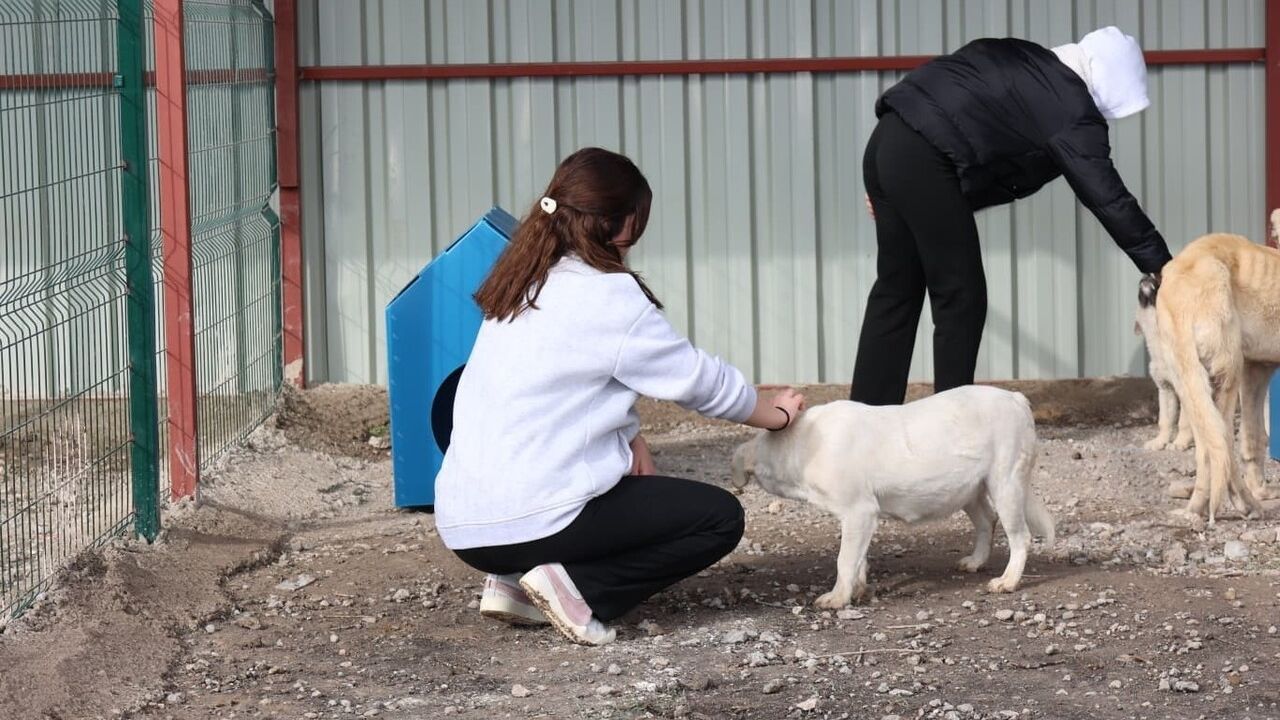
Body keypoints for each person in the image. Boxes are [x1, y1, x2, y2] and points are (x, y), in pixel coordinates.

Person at [435, 147, 806, 646]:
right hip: (535, 517)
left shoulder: (522, 282)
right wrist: (774, 415)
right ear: (621, 223)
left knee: (621, 496)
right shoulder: (607, 293)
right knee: (718, 518)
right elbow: (697, 381)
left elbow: (577, 385)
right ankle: (579, 590)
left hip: (468, 530)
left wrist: (633, 438)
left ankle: (514, 583)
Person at [852, 26, 1173, 406]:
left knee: (897, 289)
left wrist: (902, 190)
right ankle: (951, 422)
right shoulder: (1070, 104)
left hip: (886, 142)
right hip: (921, 159)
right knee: (961, 295)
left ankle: (864, 419)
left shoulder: (1025, 60)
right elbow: (1107, 197)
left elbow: (969, 143)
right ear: (1107, 83)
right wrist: (1164, 267)